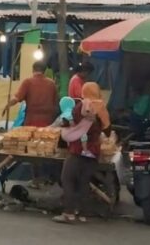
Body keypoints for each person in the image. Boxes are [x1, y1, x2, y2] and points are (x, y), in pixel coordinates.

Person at [53, 87, 104, 223]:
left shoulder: (83, 105)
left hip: (78, 151)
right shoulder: (100, 107)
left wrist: (63, 123)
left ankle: (68, 213)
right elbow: (104, 127)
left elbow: (73, 120)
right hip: (93, 152)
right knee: (83, 182)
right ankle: (83, 213)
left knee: (67, 179)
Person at [2, 61, 58, 127]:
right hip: (48, 122)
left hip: (31, 122)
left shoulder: (27, 82)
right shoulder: (51, 84)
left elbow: (16, 98)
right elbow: (55, 103)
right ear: (45, 71)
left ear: (33, 70)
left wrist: (7, 106)